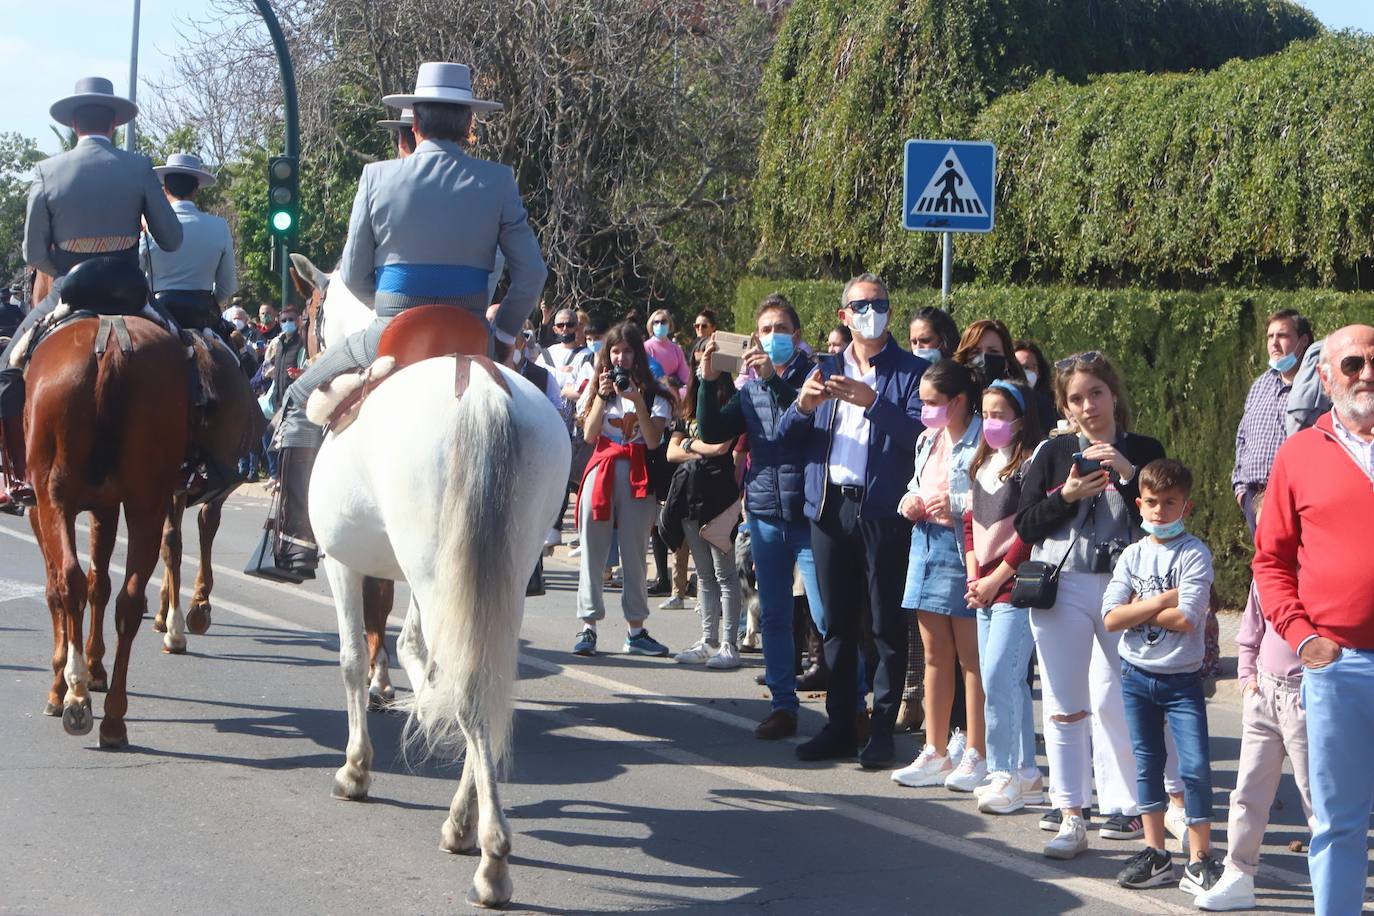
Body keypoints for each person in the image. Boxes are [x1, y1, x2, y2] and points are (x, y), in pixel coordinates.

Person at [250, 62, 547, 582]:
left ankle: (295, 542)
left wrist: (392, 309)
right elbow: (531, 273)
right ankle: (532, 563)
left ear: (415, 124)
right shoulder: (498, 180)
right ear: (467, 125)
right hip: (469, 335)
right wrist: (498, 335)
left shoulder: (377, 177)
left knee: (299, 400)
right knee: (527, 419)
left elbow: (357, 274)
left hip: (390, 333)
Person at [0, 76, 183, 511]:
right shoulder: (138, 168)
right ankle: (186, 460)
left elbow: (32, 252)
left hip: (69, 288)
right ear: (116, 123)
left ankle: (20, 471)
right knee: (187, 358)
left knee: (8, 369)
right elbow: (171, 239)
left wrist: (65, 271)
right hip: (129, 291)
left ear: (73, 124)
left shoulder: (47, 171)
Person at [1015, 351, 1166, 859]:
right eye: (1076, 398)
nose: (1088, 405)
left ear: (1113, 394)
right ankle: (1071, 812)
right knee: (1064, 703)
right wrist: (1067, 494)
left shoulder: (1144, 449)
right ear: (1065, 405)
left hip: (1125, 589)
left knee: (1121, 698)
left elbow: (1162, 519)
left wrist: (1127, 472)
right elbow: (1025, 524)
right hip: (1064, 587)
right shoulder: (1052, 452)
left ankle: (1125, 805)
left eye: (1096, 393)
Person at [777, 273, 927, 768]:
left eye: (879, 303)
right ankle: (841, 724)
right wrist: (804, 406)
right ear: (843, 316)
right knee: (836, 624)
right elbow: (785, 437)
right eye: (860, 305)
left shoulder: (909, 370)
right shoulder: (823, 368)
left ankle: (881, 729)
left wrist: (872, 403)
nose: (871, 311)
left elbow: (919, 437)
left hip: (882, 510)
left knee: (885, 625)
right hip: (828, 507)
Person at [1253, 324, 1374, 916]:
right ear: (1324, 377)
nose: (1367, 374)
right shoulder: (1298, 454)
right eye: (1353, 364)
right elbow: (1270, 561)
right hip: (1340, 667)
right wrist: (1302, 639)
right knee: (1339, 823)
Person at [697, 293, 830, 738]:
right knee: (773, 615)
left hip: (808, 514)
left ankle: (853, 702)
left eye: (781, 329)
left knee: (826, 613)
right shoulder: (751, 387)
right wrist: (706, 381)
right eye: (765, 330)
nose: (773, 337)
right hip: (765, 515)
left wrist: (773, 377)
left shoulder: (815, 378)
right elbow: (715, 430)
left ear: (798, 335)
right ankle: (783, 705)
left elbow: (802, 417)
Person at [1102, 459, 1222, 896]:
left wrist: (1144, 603)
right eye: (1151, 503)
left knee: (1194, 768)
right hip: (1136, 676)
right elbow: (1112, 617)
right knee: (1146, 763)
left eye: (1169, 503)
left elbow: (1189, 617)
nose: (1159, 512)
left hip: (1181, 680)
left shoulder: (1194, 553)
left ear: (1185, 506)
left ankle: (1200, 857)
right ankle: (1156, 853)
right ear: (1139, 504)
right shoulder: (1132, 554)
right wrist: (1163, 599)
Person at [1194, 488, 1313, 911]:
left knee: (1317, 797)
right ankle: (1239, 873)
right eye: (1262, 527)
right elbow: (1250, 636)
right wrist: (1247, 680)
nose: (1269, 535)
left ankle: (1335, 880)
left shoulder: (1319, 575)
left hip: (1307, 698)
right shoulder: (1264, 577)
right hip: (1264, 694)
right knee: (1248, 792)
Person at [892, 359, 987, 791]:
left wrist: (954, 502)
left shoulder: (983, 436)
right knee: (933, 655)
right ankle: (935, 750)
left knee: (971, 659)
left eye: (934, 403)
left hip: (962, 550)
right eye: (923, 402)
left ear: (959, 401)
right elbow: (915, 484)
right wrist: (910, 501)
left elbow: (997, 495)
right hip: (925, 547)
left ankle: (976, 751)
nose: (925, 410)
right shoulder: (927, 439)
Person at [961, 379, 1044, 815]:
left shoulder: (1030, 465)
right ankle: (1028, 772)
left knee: (997, 676)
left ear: (1020, 420)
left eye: (1000, 415)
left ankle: (1004, 772)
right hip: (984, 586)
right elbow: (971, 521)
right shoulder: (982, 465)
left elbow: (1029, 533)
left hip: (1014, 585)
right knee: (1007, 681)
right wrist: (976, 573)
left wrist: (997, 580)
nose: (990, 423)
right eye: (986, 414)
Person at [571, 322, 674, 658]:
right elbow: (588, 435)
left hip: (637, 472)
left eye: (628, 351)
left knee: (634, 554)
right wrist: (602, 397)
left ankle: (636, 630)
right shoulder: (595, 388)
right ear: (607, 354)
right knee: (593, 551)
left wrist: (636, 400)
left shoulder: (655, 393)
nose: (621, 357)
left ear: (637, 354)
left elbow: (655, 439)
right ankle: (588, 627)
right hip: (601, 469)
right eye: (615, 351)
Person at [662, 371, 743, 670]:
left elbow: (719, 448)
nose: (701, 371)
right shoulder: (687, 411)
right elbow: (671, 453)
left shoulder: (731, 409)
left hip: (720, 501)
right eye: (697, 365)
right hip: (688, 499)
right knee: (705, 576)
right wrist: (693, 446)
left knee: (725, 575)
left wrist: (689, 445)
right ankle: (708, 640)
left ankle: (729, 644)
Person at [1232, 309, 1312, 534]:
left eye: (1283, 336)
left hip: (1293, 499)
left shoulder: (1316, 388)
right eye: (1270, 337)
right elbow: (1243, 437)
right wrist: (1241, 491)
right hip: (1252, 497)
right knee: (1267, 567)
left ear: (1303, 340)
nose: (1274, 343)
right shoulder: (1261, 384)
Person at [141, 152, 236, 334]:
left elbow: (137, 272)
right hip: (203, 313)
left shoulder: (149, 226)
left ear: (165, 189)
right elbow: (227, 286)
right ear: (196, 189)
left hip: (160, 314)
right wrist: (204, 300)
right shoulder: (219, 226)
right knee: (239, 356)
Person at [953, 318, 1026, 387]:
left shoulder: (1021, 398)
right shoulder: (950, 398)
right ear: (964, 357)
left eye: (993, 351)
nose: (984, 358)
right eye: (976, 352)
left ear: (1007, 359)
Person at [1014, 338, 1058, 433]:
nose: (1022, 373)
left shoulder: (1054, 405)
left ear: (1039, 371)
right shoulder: (1000, 405)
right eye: (1017, 368)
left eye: (1027, 367)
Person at [644, 308, 691, 388]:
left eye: (663, 322)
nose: (660, 325)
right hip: (653, 390)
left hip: (675, 390)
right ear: (651, 325)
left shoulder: (676, 349)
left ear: (669, 324)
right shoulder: (645, 347)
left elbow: (685, 374)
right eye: (656, 322)